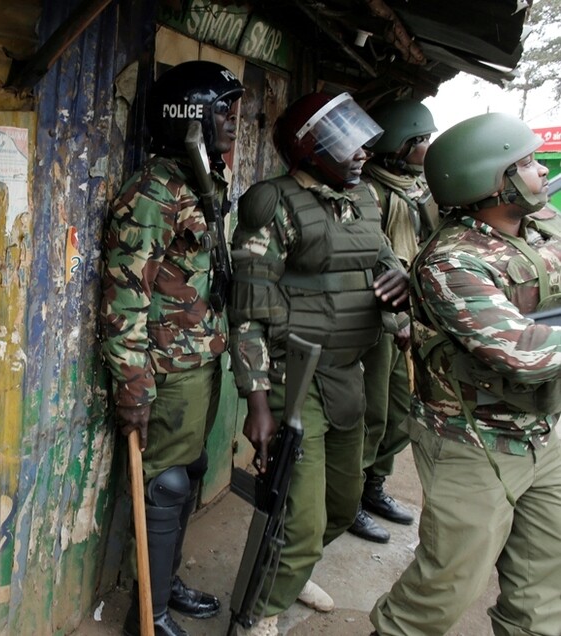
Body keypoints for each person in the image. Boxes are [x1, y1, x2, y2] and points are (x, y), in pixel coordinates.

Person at [370, 113, 561, 635]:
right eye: (525, 163)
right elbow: (523, 353)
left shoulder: (539, 232)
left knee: (544, 592)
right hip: (473, 444)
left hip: (542, 435)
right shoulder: (450, 262)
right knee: (444, 590)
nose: (540, 172)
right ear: (492, 181)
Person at [228, 92, 409, 636]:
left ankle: (295, 568)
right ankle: (258, 615)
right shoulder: (272, 203)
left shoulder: (366, 201)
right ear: (308, 152)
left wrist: (402, 286)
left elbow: (381, 266)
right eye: (343, 142)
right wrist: (257, 402)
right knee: (300, 520)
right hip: (293, 379)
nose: (360, 153)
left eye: (359, 139)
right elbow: (248, 313)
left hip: (348, 376)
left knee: (341, 504)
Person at [100, 60, 243, 636]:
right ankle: (150, 612)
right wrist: (132, 384)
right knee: (165, 484)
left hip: (201, 360)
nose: (233, 122)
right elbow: (123, 296)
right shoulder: (153, 191)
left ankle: (164, 582)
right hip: (165, 369)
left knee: (190, 470)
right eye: (222, 113)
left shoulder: (201, 181)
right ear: (188, 116)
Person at [348, 99, 438, 543]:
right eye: (420, 140)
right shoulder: (371, 192)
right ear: (399, 147)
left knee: (402, 411)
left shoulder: (419, 189)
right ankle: (348, 501)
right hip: (378, 318)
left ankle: (374, 488)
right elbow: (371, 259)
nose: (427, 148)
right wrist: (394, 318)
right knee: (373, 412)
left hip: (412, 314)